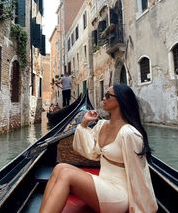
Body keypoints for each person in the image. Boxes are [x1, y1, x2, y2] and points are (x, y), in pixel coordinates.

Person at [39, 83, 158, 213]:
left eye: (108, 96)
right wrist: (84, 123)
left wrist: (142, 209)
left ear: (120, 101)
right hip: (104, 183)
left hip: (119, 195)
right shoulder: (102, 125)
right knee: (59, 168)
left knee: (67, 174)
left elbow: (139, 174)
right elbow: (92, 153)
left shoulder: (129, 134)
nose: (103, 99)